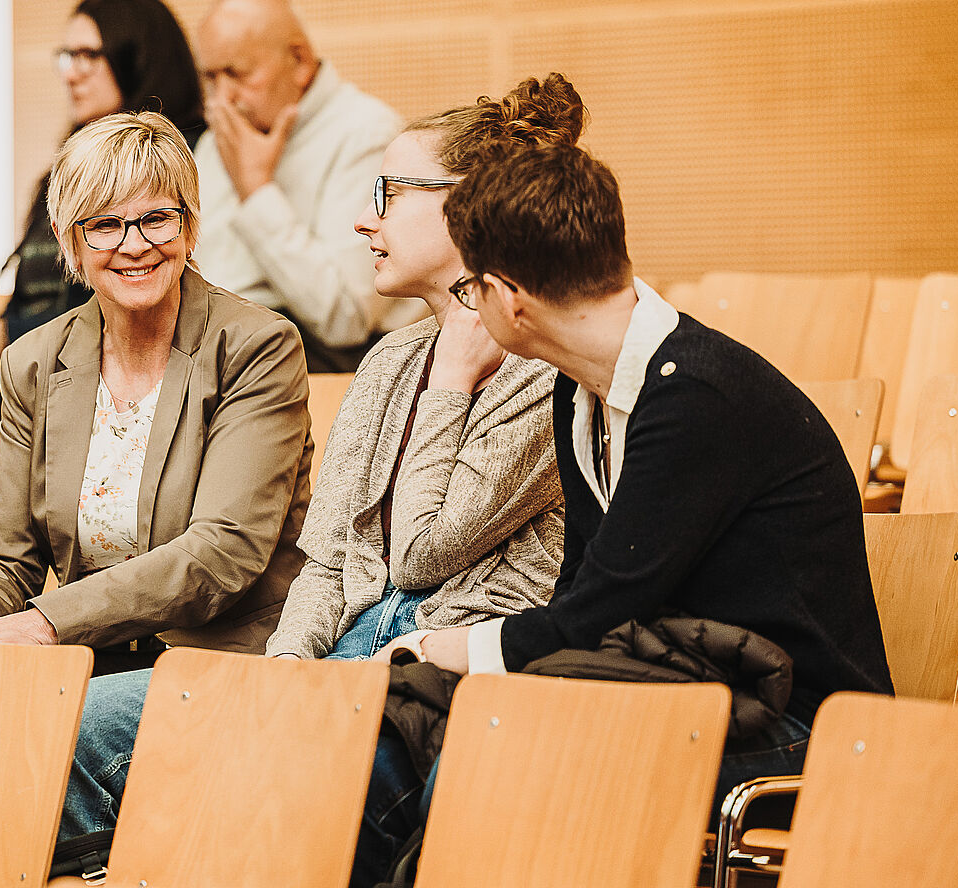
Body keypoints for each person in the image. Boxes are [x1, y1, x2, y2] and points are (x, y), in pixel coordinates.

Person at [58, 78, 587, 872]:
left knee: (248, 797)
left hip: (434, 688)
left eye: (387, 194)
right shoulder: (388, 360)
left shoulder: (544, 370)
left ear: (468, 207)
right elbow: (329, 559)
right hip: (332, 666)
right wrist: (284, 673)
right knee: (72, 728)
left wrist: (449, 382)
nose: (363, 220)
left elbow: (423, 555)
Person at [377, 89, 893, 876]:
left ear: (507, 298)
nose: (470, 306)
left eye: (469, 289)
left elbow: (599, 611)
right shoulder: (578, 389)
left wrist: (431, 646)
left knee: (494, 749)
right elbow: (584, 600)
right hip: (670, 689)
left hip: (796, 724)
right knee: (385, 738)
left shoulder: (698, 397)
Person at [0, 111, 312, 818]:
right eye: (104, 225)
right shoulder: (34, 361)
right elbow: (3, 557)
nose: (134, 245)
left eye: (156, 219)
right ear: (68, 239)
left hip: (208, 656)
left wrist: (41, 625)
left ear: (190, 224)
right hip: (85, 649)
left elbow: (220, 554)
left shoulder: (255, 347)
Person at [0, 0, 205, 376]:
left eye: (89, 56)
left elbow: (136, 293)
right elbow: (34, 293)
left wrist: (7, 338)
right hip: (38, 372)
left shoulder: (184, 162)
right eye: (68, 56)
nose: (71, 73)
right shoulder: (63, 172)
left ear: (138, 59)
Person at [190, 0, 407, 371]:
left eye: (238, 73)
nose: (222, 98)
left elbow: (347, 320)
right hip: (214, 353)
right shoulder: (216, 139)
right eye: (211, 77)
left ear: (300, 61)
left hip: (322, 367)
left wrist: (256, 190)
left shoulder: (366, 132)